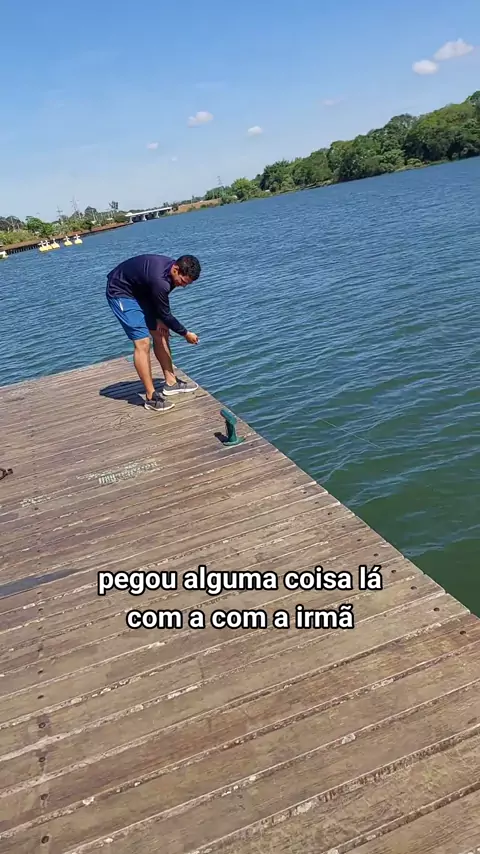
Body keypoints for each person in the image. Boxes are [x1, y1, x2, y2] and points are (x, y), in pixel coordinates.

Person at [106, 253, 201, 412]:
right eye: (183, 282)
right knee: (142, 342)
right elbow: (166, 313)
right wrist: (186, 334)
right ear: (176, 269)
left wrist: (159, 319)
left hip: (142, 291)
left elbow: (160, 304)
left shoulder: (170, 276)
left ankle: (171, 383)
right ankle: (151, 397)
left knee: (161, 332)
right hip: (121, 291)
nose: (183, 286)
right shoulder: (160, 281)